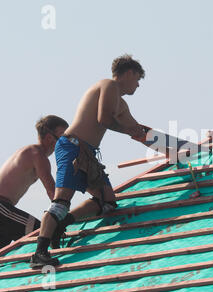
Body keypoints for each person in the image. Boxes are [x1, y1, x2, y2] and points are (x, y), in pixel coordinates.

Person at [30, 54, 150, 268]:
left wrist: (170, 147)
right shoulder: (109, 85)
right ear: (129, 73)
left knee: (108, 202)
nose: (139, 85)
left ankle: (62, 224)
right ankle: (39, 253)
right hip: (72, 147)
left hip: (86, 152)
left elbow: (138, 131)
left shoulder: (120, 103)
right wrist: (128, 130)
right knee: (61, 202)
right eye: (138, 78)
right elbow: (103, 119)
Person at [0, 115, 68, 248]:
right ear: (49, 138)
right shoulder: (37, 154)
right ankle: (44, 260)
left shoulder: (30, 151)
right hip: (2, 208)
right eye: (63, 136)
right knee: (43, 232)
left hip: (4, 210)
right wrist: (66, 216)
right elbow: (52, 192)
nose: (67, 141)